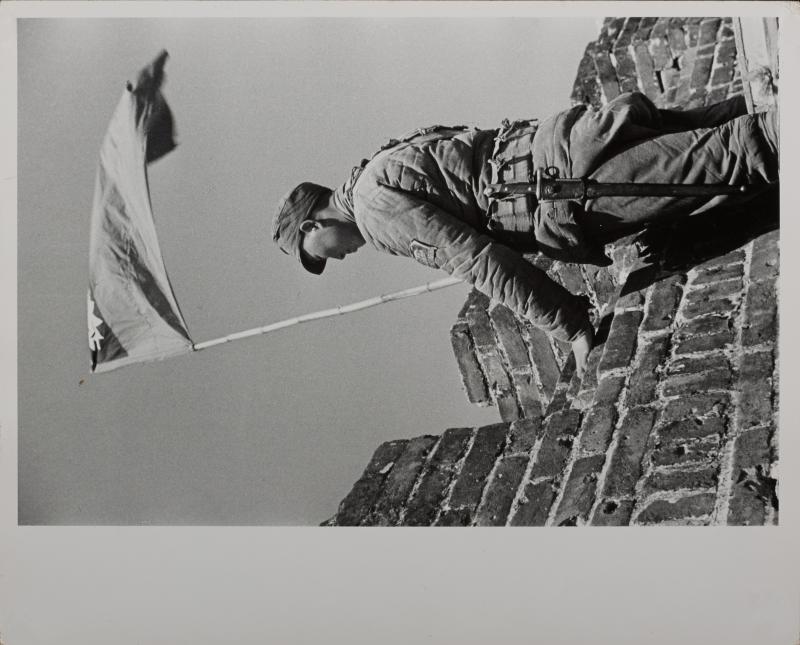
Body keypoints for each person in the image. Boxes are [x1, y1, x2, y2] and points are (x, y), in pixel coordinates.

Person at [272, 91, 778, 378]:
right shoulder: (382, 163)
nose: (332, 260)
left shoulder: (373, 209)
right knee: (738, 128)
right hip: (574, 143)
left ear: (314, 223)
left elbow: (477, 261)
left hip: (577, 186)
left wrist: (573, 325)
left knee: (751, 151)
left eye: (316, 253)